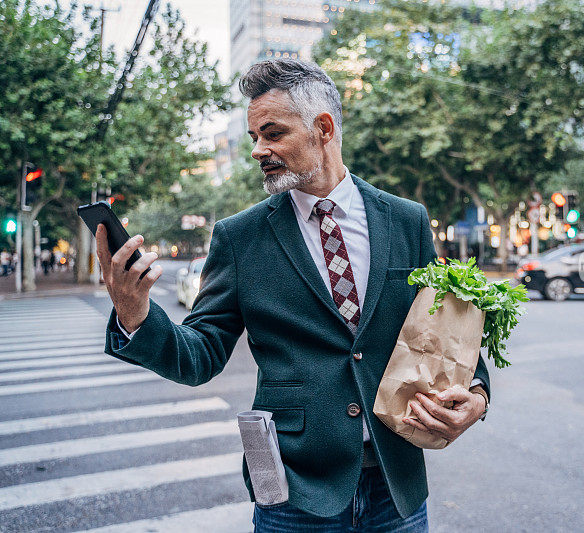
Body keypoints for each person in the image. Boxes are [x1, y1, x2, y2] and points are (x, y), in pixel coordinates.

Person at [97, 59, 491, 532]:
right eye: (254, 138)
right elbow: (200, 356)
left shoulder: (406, 219)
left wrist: (477, 393)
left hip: (397, 483)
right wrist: (135, 315)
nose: (259, 150)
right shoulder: (239, 238)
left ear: (323, 129)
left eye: (273, 134)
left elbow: (448, 328)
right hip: (294, 492)